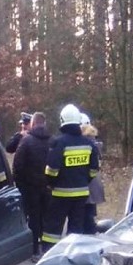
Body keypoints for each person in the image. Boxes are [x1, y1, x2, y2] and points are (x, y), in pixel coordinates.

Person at [39, 104, 99, 252]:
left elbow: (52, 170)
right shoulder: (89, 143)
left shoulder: (59, 143)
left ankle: (48, 254)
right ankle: (72, 256)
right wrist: (83, 181)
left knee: (52, 228)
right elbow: (93, 170)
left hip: (60, 194)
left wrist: (51, 184)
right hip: (81, 195)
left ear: (62, 120)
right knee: (76, 228)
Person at [11, 111, 51, 256]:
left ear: (32, 124)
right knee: (46, 218)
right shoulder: (52, 141)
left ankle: (34, 250)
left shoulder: (26, 141)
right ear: (44, 123)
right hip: (48, 188)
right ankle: (47, 250)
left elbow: (18, 166)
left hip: (30, 188)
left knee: (33, 218)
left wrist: (21, 185)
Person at [80, 112, 105, 234]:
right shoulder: (93, 141)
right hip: (93, 182)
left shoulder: (86, 142)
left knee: (87, 217)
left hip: (88, 184)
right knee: (89, 213)